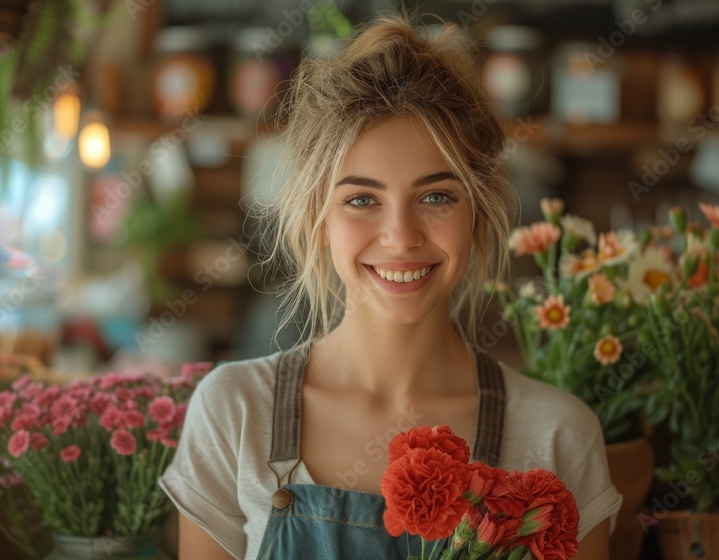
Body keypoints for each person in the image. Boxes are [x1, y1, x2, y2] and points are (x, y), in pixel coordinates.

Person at [158, 13, 621, 560]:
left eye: (436, 196)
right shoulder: (235, 414)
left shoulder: (557, 435)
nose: (401, 238)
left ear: (478, 213)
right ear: (317, 218)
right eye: (361, 199)